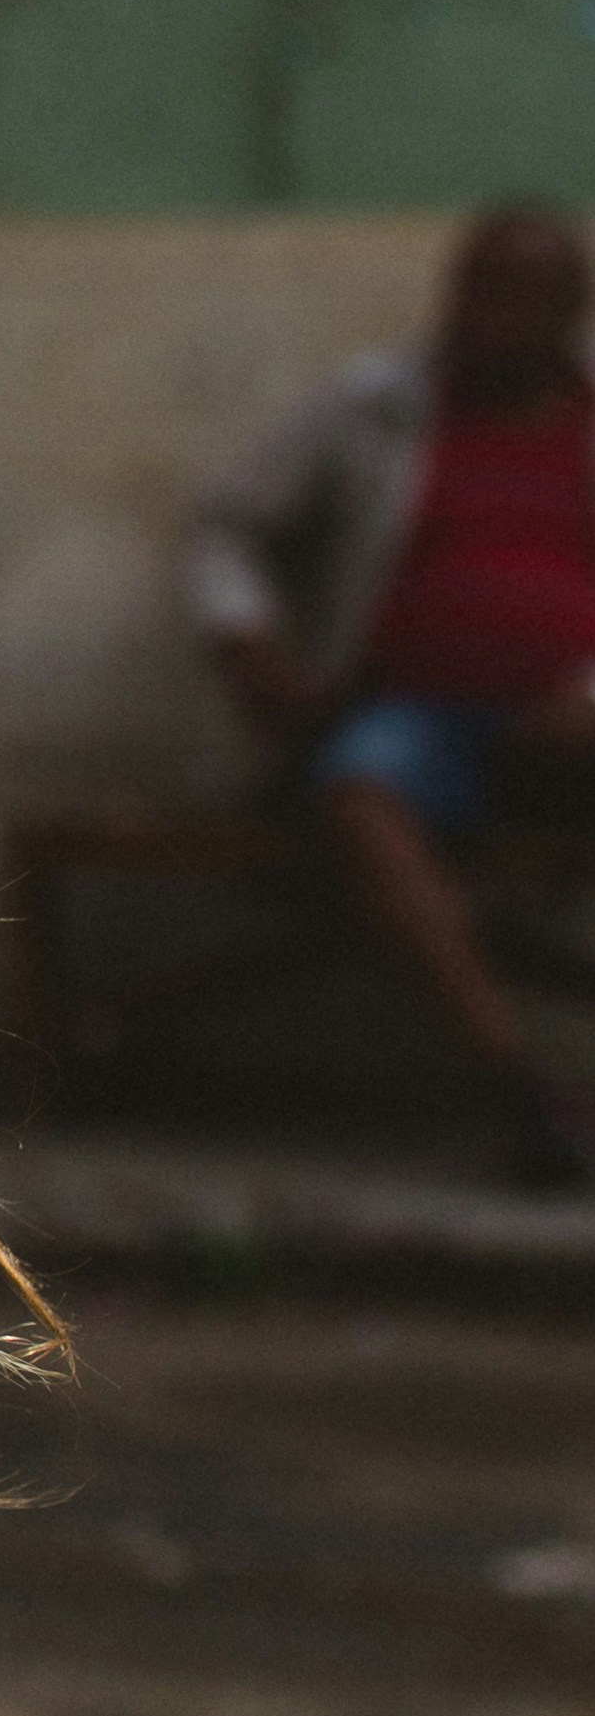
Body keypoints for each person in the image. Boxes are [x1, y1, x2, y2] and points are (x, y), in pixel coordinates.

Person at [188, 201, 595, 1185]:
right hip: (414, 717)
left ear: (567, 307)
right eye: (474, 286)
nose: (487, 313)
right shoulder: (376, 406)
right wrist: (246, 638)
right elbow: (225, 528)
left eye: (518, 293)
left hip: (572, 723)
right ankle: (516, 1082)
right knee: (358, 798)